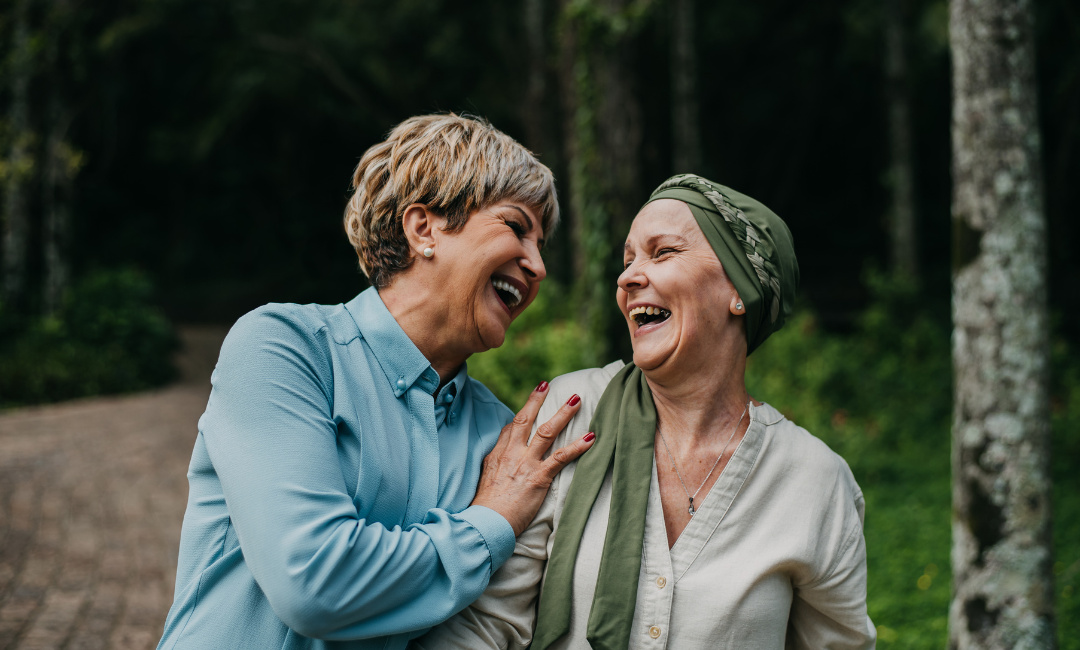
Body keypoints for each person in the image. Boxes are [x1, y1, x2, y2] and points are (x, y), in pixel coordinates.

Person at [157, 114, 595, 649]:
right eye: (515, 227)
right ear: (424, 229)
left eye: (542, 243)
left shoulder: (503, 440)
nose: (538, 266)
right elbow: (314, 584)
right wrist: (492, 521)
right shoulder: (284, 349)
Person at [414, 173, 876, 649]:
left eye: (663, 252)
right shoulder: (569, 413)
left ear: (741, 290)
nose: (628, 277)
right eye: (628, 258)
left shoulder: (815, 481)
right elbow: (486, 624)